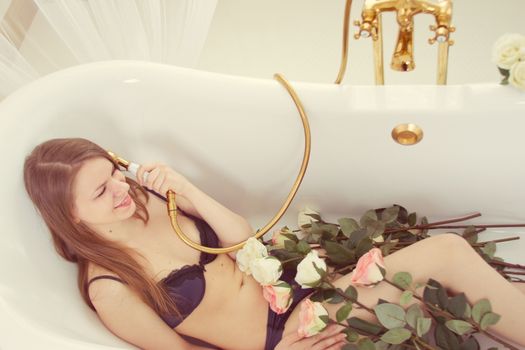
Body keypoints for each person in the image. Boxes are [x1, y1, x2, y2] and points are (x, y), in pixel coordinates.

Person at [23, 138, 525, 350]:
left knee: (444, 260)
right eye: (100, 191)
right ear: (70, 215)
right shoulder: (112, 289)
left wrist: (185, 188)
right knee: (440, 264)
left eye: (114, 174)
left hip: (300, 298)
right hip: (283, 343)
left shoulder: (147, 203)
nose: (119, 190)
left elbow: (240, 239)